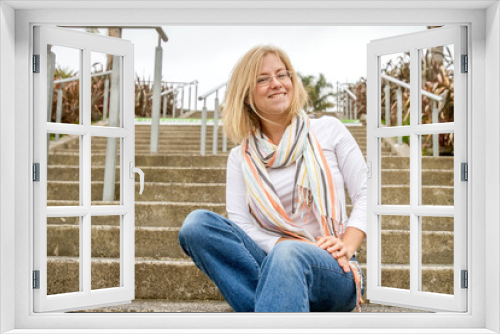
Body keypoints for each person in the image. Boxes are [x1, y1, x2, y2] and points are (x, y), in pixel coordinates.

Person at [179, 45, 367, 312]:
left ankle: (276, 305)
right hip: (270, 261)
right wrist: (283, 244)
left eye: (282, 74)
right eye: (263, 79)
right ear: (246, 96)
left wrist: (347, 245)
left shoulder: (329, 130)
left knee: (288, 255)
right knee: (196, 225)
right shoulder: (240, 157)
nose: (276, 83)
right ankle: (286, 301)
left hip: (334, 267)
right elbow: (241, 224)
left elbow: (366, 192)